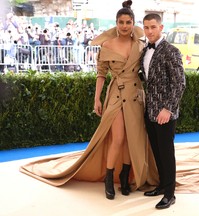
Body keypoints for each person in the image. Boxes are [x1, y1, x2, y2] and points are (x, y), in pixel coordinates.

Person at [20, 0, 158, 200]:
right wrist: (97, 99)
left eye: (129, 22)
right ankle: (109, 177)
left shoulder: (140, 43)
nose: (125, 26)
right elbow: (101, 74)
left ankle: (125, 175)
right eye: (121, 22)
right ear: (116, 23)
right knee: (118, 138)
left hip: (136, 95)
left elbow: (145, 55)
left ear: (132, 23)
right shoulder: (107, 44)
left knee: (131, 139)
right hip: (116, 95)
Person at [140, 13, 186, 209]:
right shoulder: (145, 50)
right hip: (150, 110)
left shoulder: (171, 51)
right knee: (157, 152)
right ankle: (161, 185)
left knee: (167, 153)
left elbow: (180, 83)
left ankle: (170, 193)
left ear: (161, 27)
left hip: (165, 113)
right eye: (146, 27)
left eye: (153, 27)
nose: (149, 31)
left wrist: (168, 108)